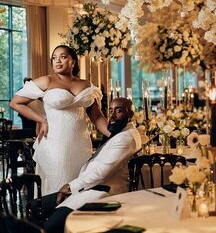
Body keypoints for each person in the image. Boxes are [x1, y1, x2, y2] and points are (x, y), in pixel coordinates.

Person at [9, 45, 110, 195]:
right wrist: (42, 120)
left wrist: (114, 134)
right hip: (55, 145)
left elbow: (97, 116)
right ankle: (55, 216)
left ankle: (76, 218)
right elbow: (15, 102)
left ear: (73, 62)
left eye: (63, 57)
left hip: (81, 146)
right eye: (54, 58)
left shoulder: (86, 85)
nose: (57, 61)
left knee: (81, 187)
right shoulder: (46, 81)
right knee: (59, 187)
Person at [30, 97, 141, 233]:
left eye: (118, 111)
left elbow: (100, 172)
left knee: (50, 227)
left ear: (130, 114)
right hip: (88, 187)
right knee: (33, 206)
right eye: (110, 110)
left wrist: (71, 187)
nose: (112, 115)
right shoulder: (119, 132)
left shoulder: (126, 137)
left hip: (103, 191)